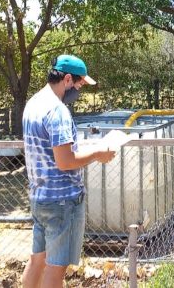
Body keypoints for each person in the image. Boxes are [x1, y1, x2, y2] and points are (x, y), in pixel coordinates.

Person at [21, 55, 116, 288]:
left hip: (39, 197)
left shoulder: (33, 104)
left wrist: (89, 148)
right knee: (56, 268)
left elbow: (54, 150)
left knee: (37, 260)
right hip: (62, 202)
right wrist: (97, 155)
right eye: (80, 83)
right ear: (66, 79)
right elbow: (65, 162)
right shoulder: (58, 111)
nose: (80, 89)